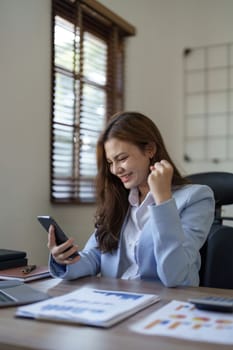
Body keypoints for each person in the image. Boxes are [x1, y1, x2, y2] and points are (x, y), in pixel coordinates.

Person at [48, 111, 215, 287]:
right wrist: (64, 259)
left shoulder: (196, 198)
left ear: (150, 149)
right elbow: (94, 256)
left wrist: (163, 200)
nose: (115, 170)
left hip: (164, 304)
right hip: (116, 299)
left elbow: (176, 275)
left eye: (122, 159)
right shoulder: (120, 200)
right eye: (110, 162)